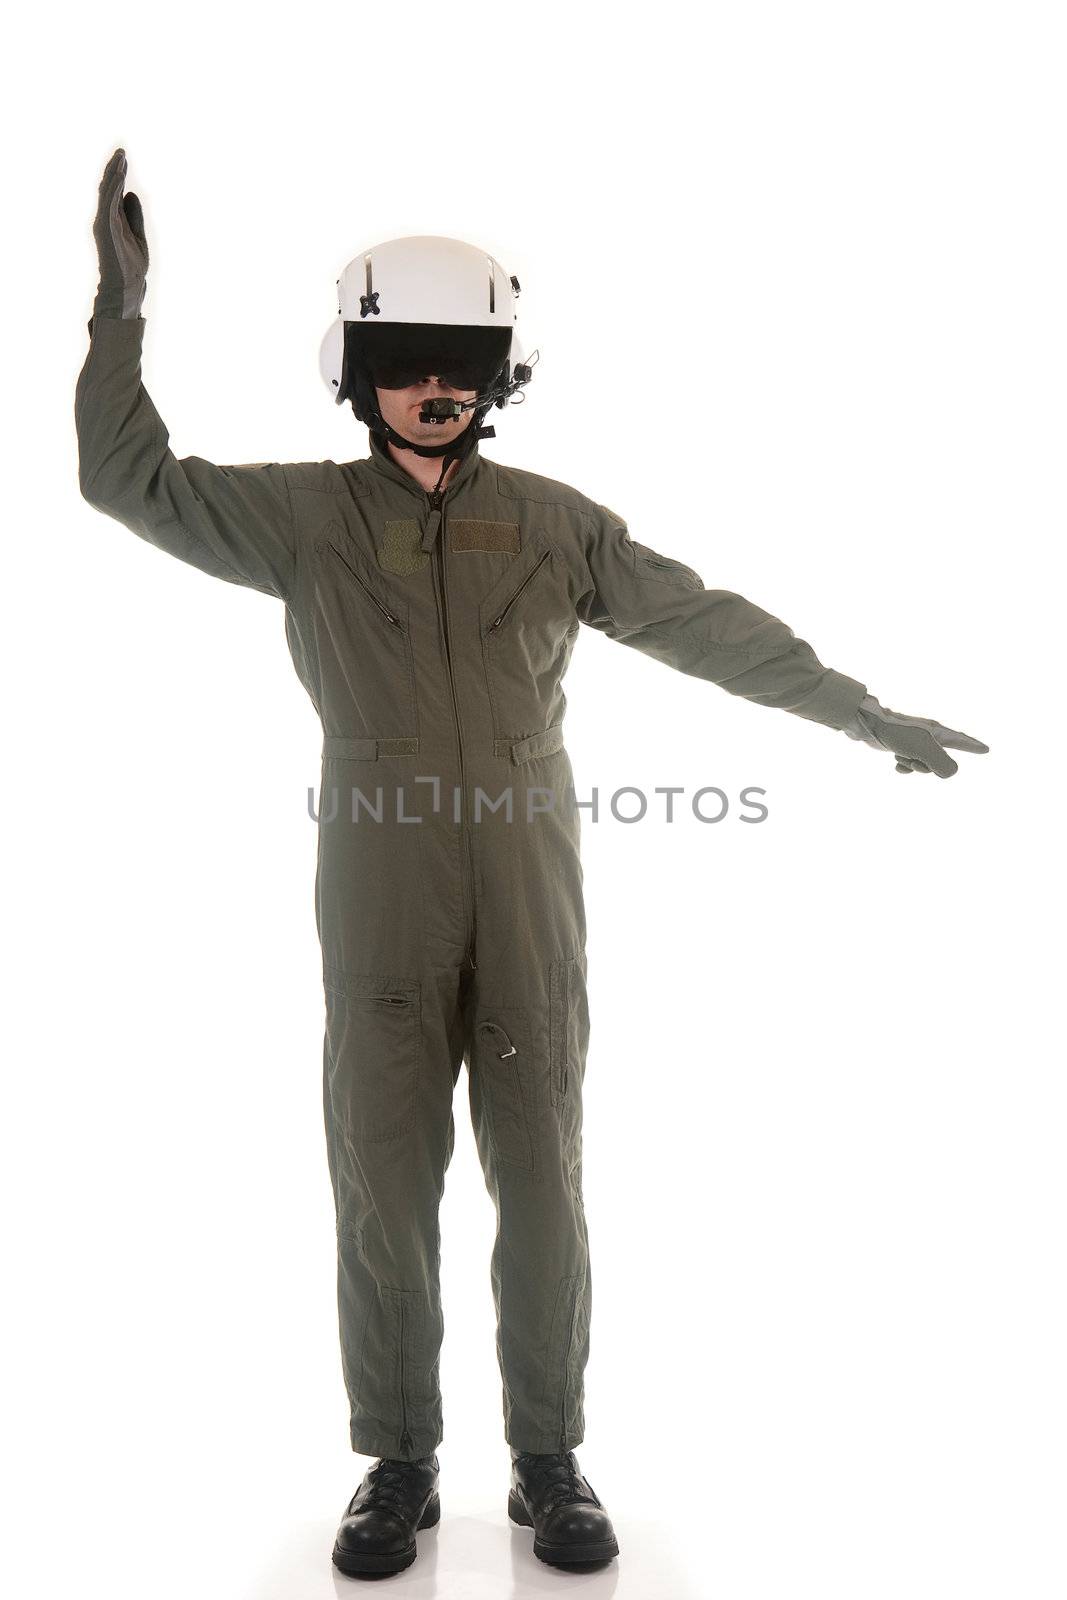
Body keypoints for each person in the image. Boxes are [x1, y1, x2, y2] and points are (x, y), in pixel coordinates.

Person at [76, 148, 989, 1578]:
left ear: (497, 376)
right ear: (358, 371)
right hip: (377, 882)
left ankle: (548, 1459)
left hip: (528, 875)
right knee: (382, 1173)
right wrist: (119, 316)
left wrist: (859, 709)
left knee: (545, 1178)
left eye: (460, 363)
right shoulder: (301, 521)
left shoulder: (557, 524)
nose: (432, 385)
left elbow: (705, 622)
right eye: (404, 360)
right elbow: (122, 479)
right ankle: (398, 1465)